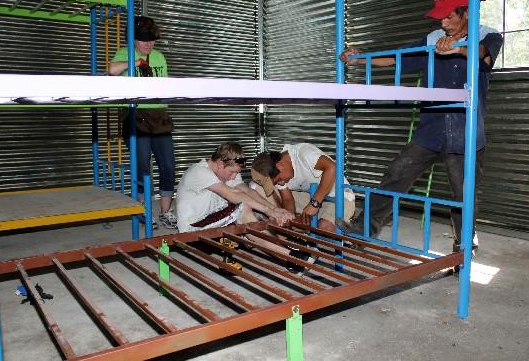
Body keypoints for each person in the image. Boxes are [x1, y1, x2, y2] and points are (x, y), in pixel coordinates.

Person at [338, 0, 503, 253]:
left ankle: (464, 245)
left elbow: (484, 55)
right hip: (432, 128)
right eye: (440, 16)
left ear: (467, 13)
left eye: (450, 16)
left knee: (464, 193)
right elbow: (396, 58)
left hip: (467, 131)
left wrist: (458, 48)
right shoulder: (432, 39)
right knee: (397, 173)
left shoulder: (488, 35)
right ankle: (364, 227)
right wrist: (360, 59)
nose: (443, 22)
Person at [175, 142, 315, 273]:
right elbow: (233, 194)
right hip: (193, 228)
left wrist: (274, 209)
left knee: (252, 193)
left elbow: (247, 191)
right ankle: (289, 256)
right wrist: (268, 210)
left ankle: (287, 246)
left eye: (237, 172)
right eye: (232, 172)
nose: (234, 176)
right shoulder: (199, 172)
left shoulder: (229, 167)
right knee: (243, 207)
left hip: (213, 219)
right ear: (220, 163)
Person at [109, 16, 177, 230]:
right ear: (134, 39)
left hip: (159, 114)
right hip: (135, 114)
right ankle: (142, 211)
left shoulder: (159, 57)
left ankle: (166, 212)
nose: (149, 44)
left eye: (152, 40)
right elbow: (111, 71)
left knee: (168, 165)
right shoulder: (124, 53)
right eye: (144, 40)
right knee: (142, 167)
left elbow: (164, 86)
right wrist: (135, 62)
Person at [250, 143, 356, 233]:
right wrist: (288, 220)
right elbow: (287, 200)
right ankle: (287, 230)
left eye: (278, 180)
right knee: (260, 190)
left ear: (279, 165)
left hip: (340, 197)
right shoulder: (277, 172)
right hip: (312, 196)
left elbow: (332, 168)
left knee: (324, 227)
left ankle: (353, 228)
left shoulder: (304, 154)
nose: (281, 182)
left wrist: (314, 204)